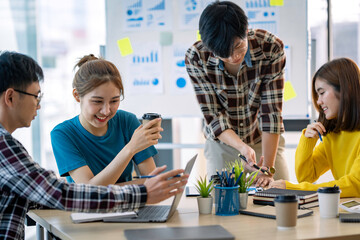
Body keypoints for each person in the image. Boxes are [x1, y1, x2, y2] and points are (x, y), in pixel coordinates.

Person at [0, 51, 188, 239]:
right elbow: (64, 194)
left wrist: (140, 188)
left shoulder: (126, 120)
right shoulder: (6, 145)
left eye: (114, 101)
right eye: (36, 96)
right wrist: (141, 190)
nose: (38, 105)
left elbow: (50, 193)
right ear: (10, 97)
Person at [185, 1, 289, 187]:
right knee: (224, 206)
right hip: (222, 144)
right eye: (224, 54)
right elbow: (214, 115)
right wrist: (241, 147)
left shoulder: (270, 48)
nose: (234, 57)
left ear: (246, 30)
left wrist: (267, 168)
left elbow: (271, 113)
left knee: (280, 196)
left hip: (263, 139)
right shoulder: (197, 57)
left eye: (239, 47)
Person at [51, 54, 161, 186]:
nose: (106, 111)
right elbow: (90, 191)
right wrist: (130, 148)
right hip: (90, 207)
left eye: (114, 100)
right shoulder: (63, 134)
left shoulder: (127, 121)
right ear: (77, 95)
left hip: (130, 204)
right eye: (97, 101)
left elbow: (153, 182)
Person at [270, 58, 360, 197]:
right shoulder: (333, 135)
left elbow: (354, 184)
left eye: (322, 92)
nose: (318, 101)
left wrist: (293, 189)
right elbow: (306, 177)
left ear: (344, 89)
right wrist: (307, 140)